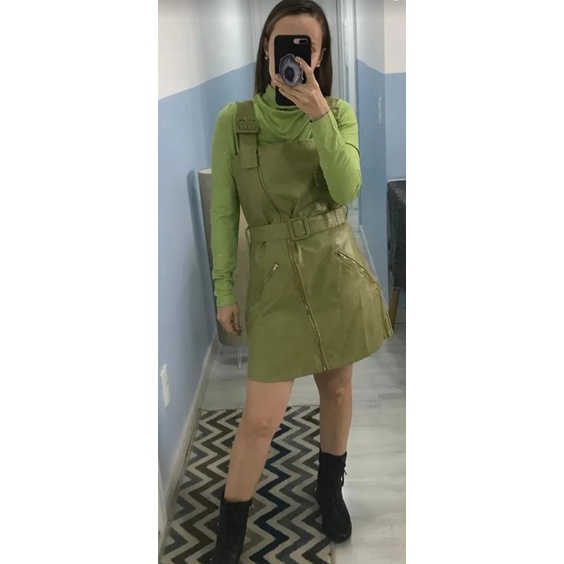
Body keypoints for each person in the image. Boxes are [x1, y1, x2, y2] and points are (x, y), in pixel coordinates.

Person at [209, 1, 393, 561]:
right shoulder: (235, 121)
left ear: (319, 55)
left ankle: (329, 490)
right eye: (282, 42)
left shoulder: (337, 114)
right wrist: (223, 290)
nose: (292, 55)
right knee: (261, 419)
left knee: (336, 390)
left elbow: (347, 189)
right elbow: (224, 212)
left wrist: (318, 115)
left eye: (305, 47)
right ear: (266, 49)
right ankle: (230, 531)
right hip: (272, 283)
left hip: (333, 271)